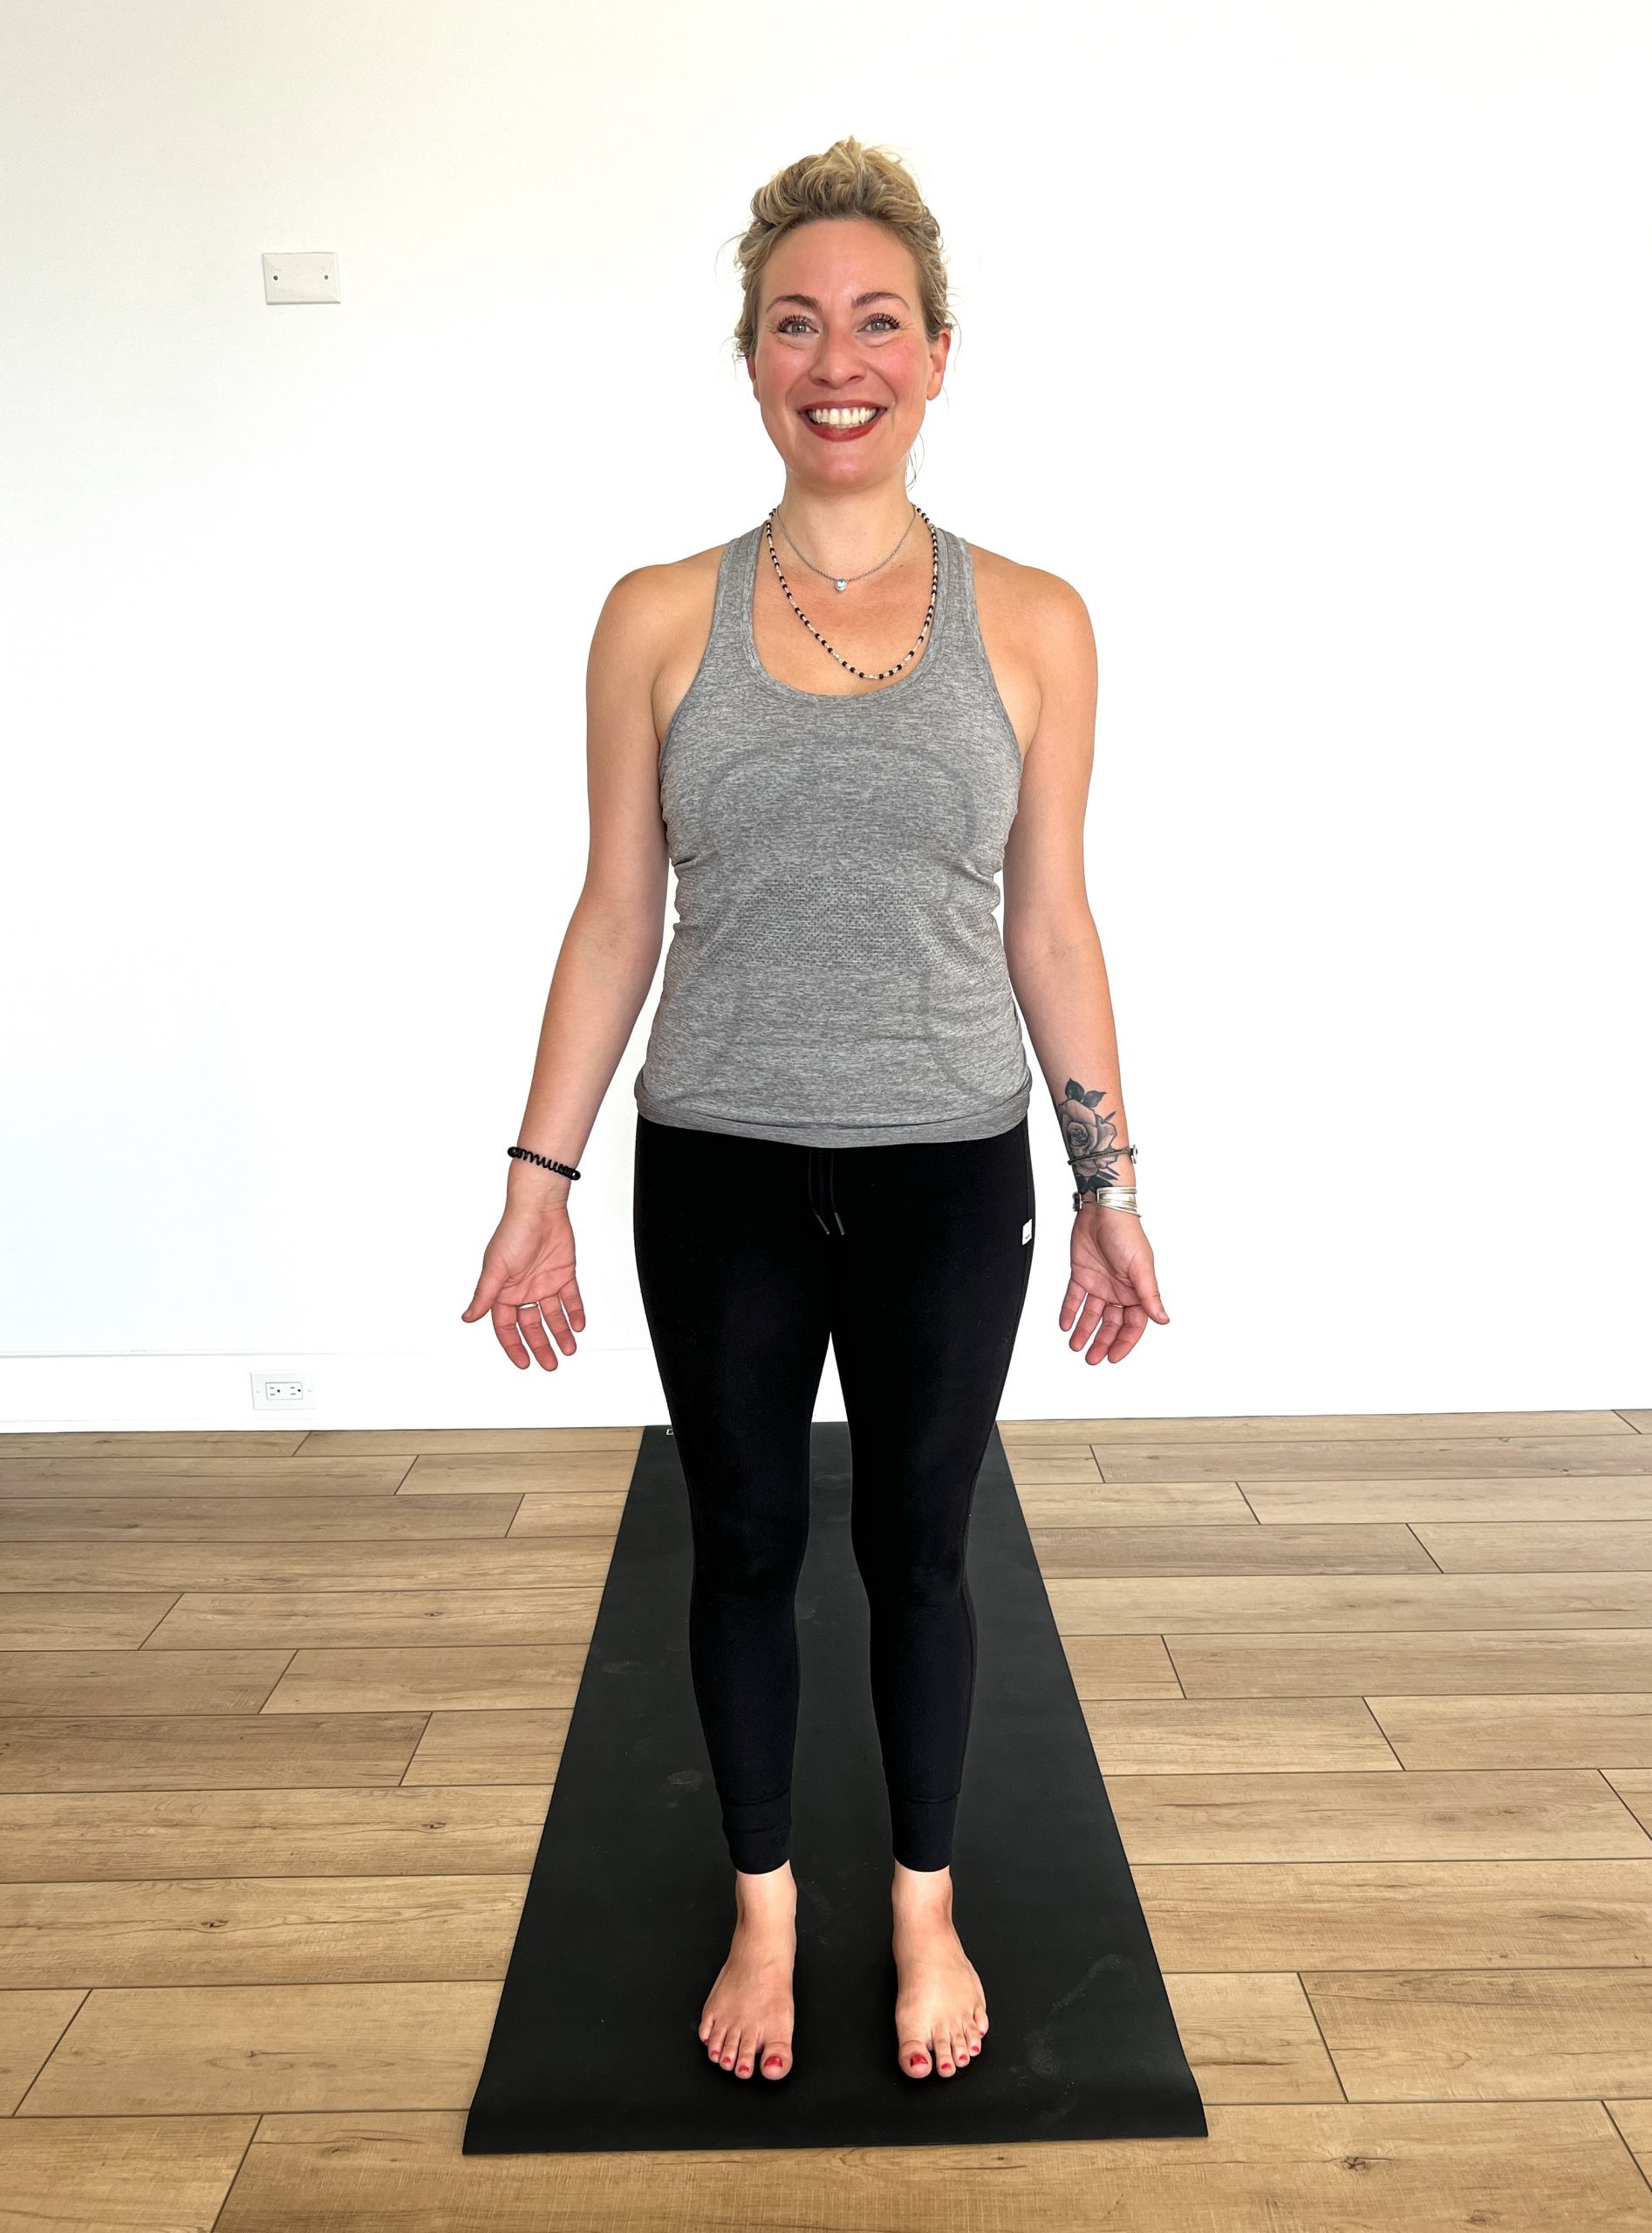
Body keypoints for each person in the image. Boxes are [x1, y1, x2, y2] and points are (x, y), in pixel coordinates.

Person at [461, 137, 1169, 2092]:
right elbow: (616, 913)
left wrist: (1108, 1177)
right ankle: (768, 1901)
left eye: (874, 321)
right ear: (753, 358)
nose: (833, 357)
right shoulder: (653, 618)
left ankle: (921, 1901)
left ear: (936, 354)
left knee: (924, 1545)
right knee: (749, 1538)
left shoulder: (1028, 621)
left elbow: (1050, 914)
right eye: (795, 322)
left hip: (952, 1166)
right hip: (723, 1169)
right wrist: (539, 1179)